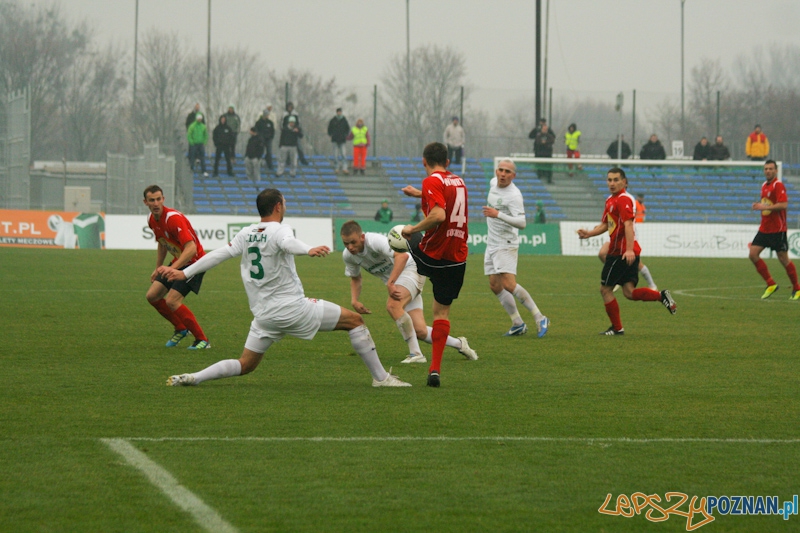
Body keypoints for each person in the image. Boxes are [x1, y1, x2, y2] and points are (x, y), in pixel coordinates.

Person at [163, 188, 411, 388]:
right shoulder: (280, 229)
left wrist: (184, 272)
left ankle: (195, 376)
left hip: (263, 316)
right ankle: (381, 379)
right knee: (355, 321)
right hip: (293, 308)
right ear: (278, 206)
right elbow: (288, 242)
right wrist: (308, 249)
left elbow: (218, 255)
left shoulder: (246, 233)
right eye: (284, 203)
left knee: (246, 364)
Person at [339, 220, 477, 364]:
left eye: (353, 242)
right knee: (420, 331)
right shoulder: (348, 256)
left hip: (412, 268)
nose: (350, 247)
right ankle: (460, 344)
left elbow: (402, 256)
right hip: (400, 281)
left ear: (361, 237)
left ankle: (416, 354)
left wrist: (391, 282)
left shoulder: (373, 241)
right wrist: (354, 300)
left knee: (393, 305)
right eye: (346, 244)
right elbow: (355, 278)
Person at [400, 142, 469, 387]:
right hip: (457, 257)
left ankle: (400, 289)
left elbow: (439, 215)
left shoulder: (431, 181)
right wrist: (420, 194)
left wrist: (413, 229)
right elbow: (446, 200)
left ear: (423, 161)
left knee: (398, 238)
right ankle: (435, 369)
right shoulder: (459, 181)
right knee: (441, 313)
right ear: (448, 162)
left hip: (432, 254)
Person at [577, 168, 676, 335]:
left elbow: (628, 224)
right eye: (609, 180)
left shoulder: (624, 200)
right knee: (629, 292)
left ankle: (617, 328)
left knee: (605, 290)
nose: (612, 183)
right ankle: (661, 296)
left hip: (620, 252)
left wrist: (629, 250)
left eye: (616, 180)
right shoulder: (610, 200)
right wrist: (589, 234)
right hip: (625, 251)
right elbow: (605, 225)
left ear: (624, 182)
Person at [482, 159, 549, 337]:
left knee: (509, 284)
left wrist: (498, 214)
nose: (503, 174)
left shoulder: (514, 195)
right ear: (496, 171)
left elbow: (522, 223)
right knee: (495, 285)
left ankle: (540, 317)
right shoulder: (492, 183)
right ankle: (517, 323)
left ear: (514, 175)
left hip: (506, 243)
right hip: (492, 243)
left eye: (507, 171)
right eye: (501, 170)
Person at [143, 185, 210, 350]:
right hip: (180, 261)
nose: (156, 203)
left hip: (195, 262)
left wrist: (174, 268)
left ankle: (202, 340)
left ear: (163, 199)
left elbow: (191, 248)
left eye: (159, 199)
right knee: (153, 295)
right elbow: (162, 243)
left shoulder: (173, 218)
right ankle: (181, 328)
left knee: (172, 300)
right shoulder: (152, 220)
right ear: (146, 202)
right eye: (152, 200)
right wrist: (158, 268)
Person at [748, 160, 800, 300]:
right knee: (753, 254)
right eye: (766, 169)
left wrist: (764, 207)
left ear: (776, 171)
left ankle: (797, 288)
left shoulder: (778, 185)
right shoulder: (764, 185)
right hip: (764, 229)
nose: (768, 171)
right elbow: (766, 204)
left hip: (778, 230)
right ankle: (770, 284)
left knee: (783, 259)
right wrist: (758, 205)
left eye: (771, 169)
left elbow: (783, 204)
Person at [597, 191, 659, 292]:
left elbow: (628, 221)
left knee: (636, 263)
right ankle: (617, 278)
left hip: (627, 233)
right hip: (615, 233)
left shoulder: (626, 200)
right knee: (602, 253)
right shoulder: (611, 199)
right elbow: (610, 219)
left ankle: (652, 285)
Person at [328, 107, 351, 174]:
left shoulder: (344, 120)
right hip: (335, 140)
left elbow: (347, 129)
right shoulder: (333, 120)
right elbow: (329, 129)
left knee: (343, 154)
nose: (339, 113)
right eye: (338, 112)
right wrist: (331, 134)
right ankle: (336, 168)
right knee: (335, 155)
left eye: (340, 112)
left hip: (342, 140)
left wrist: (345, 135)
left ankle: (344, 168)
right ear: (337, 112)